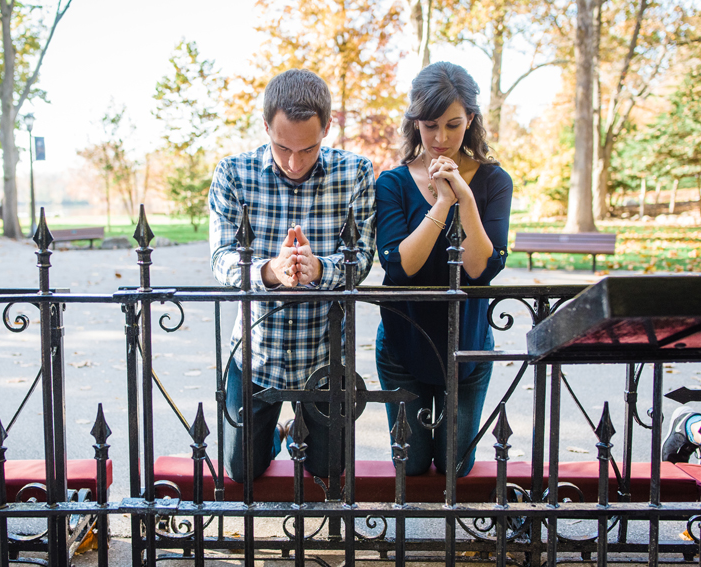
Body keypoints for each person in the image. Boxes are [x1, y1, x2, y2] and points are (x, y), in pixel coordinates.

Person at [209, 69, 376, 482]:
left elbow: (364, 257)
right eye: (282, 146)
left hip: (323, 351)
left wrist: (321, 268)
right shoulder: (233, 174)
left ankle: (300, 434)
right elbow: (220, 257)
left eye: (309, 148)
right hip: (255, 352)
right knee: (240, 470)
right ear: (265, 125)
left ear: (328, 127)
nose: (294, 162)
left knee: (327, 471)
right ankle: (277, 433)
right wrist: (268, 270)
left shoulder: (355, 172)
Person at [374, 62, 513, 477]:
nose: (441, 138)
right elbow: (402, 267)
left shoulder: (494, 181)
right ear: (414, 122)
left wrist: (465, 198)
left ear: (470, 119)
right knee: (412, 466)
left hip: (467, 347)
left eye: (453, 124)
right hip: (404, 344)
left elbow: (478, 268)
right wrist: (440, 204)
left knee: (455, 466)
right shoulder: (393, 183)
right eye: (430, 125)